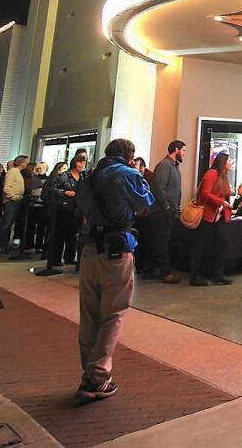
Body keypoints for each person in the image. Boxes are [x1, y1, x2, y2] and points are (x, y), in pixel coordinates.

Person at [74, 137, 154, 403]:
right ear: (130, 156)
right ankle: (98, 377)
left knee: (89, 314)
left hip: (88, 249)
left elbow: (82, 207)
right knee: (112, 313)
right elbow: (145, 204)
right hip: (115, 249)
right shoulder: (128, 174)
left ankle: (88, 373)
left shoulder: (89, 176)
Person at [192, 151, 234, 286]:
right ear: (223, 163)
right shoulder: (212, 174)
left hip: (219, 216)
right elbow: (205, 193)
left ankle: (218, 274)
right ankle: (194, 276)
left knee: (222, 243)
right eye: (229, 161)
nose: (231, 163)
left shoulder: (223, 176)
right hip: (207, 215)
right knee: (200, 246)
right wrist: (221, 203)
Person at [149, 140, 185, 284]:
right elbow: (158, 187)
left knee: (159, 240)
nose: (184, 153)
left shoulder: (174, 166)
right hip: (163, 212)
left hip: (170, 210)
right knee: (162, 241)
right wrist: (166, 206)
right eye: (183, 150)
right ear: (176, 149)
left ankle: (149, 269)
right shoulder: (165, 165)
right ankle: (165, 272)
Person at [0, 156, 29, 253]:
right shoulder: (13, 172)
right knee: (6, 223)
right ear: (21, 162)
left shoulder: (17, 172)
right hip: (11, 201)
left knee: (9, 223)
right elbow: (7, 188)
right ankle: (1, 246)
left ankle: (3, 245)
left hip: (15, 200)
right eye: (26, 161)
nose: (27, 163)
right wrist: (13, 197)